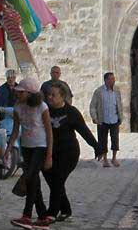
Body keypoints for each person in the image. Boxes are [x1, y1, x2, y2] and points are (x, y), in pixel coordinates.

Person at [43, 81, 101, 222]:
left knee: (58, 180)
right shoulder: (44, 111)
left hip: (68, 153)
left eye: (53, 95)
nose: (50, 97)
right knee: (53, 182)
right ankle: (66, 209)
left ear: (63, 97)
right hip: (50, 153)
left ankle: (51, 213)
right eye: (48, 95)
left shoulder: (71, 112)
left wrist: (97, 146)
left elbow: (84, 131)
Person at [5, 77, 53, 230]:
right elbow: (16, 129)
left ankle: (26, 216)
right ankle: (43, 216)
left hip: (40, 146)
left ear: (30, 93)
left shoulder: (42, 107)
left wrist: (49, 155)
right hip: (27, 146)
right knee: (34, 181)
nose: (18, 95)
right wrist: (9, 148)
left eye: (21, 92)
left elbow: (49, 131)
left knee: (30, 177)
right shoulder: (17, 107)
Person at [89, 72, 123, 167]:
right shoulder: (99, 92)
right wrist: (94, 117)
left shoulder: (117, 90)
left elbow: (119, 104)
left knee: (115, 139)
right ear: (106, 80)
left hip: (114, 118)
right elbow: (93, 106)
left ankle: (114, 158)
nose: (113, 81)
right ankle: (105, 159)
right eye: (111, 79)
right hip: (103, 119)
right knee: (103, 140)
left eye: (113, 78)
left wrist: (121, 116)